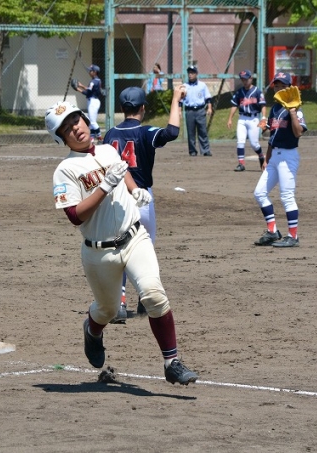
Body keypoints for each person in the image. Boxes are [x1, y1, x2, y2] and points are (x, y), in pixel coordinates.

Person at [46, 99, 199, 386]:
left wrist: (135, 189)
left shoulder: (107, 149)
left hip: (135, 238)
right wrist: (104, 187)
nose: (75, 128)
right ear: (62, 139)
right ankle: (92, 330)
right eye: (66, 129)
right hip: (99, 252)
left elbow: (121, 170)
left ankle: (172, 362)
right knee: (108, 310)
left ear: (84, 119)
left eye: (76, 120)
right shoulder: (65, 170)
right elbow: (75, 216)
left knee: (153, 295)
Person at [103, 84, 187, 322]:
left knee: (119, 250)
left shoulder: (110, 135)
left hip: (117, 200)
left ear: (122, 108)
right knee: (144, 249)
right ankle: (145, 296)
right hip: (142, 199)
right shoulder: (145, 132)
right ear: (142, 108)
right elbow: (172, 132)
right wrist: (175, 99)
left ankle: (120, 302)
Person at [253, 72, 307, 248]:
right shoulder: (275, 109)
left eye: (283, 86)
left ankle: (293, 236)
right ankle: (272, 231)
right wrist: (267, 158)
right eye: (276, 85)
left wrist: (292, 112)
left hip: (288, 156)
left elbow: (298, 133)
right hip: (275, 156)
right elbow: (272, 135)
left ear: (290, 88)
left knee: (287, 196)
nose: (279, 88)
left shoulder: (296, 109)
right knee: (259, 193)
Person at [226, 69, 267, 172]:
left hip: (253, 119)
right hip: (242, 118)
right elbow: (234, 105)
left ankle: (261, 156)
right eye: (242, 79)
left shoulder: (257, 91)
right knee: (240, 141)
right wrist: (230, 118)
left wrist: (263, 117)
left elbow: (263, 105)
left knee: (254, 144)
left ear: (251, 78)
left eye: (246, 79)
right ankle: (241, 164)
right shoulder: (239, 92)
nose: (244, 81)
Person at [180, 65, 213, 156]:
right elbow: (180, 100)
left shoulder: (202, 85)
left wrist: (209, 108)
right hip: (189, 111)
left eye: (192, 73)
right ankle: (192, 151)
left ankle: (205, 150)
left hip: (200, 110)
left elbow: (208, 98)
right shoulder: (184, 86)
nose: (190, 75)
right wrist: (179, 111)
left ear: (196, 74)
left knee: (202, 131)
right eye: (189, 73)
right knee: (191, 132)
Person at [73, 64, 104, 141]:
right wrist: (80, 85)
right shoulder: (97, 80)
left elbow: (87, 92)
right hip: (94, 101)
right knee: (91, 121)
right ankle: (92, 138)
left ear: (95, 72)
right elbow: (89, 89)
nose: (89, 72)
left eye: (91, 71)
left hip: (93, 102)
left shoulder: (93, 81)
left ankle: (100, 138)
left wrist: (77, 89)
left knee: (92, 122)